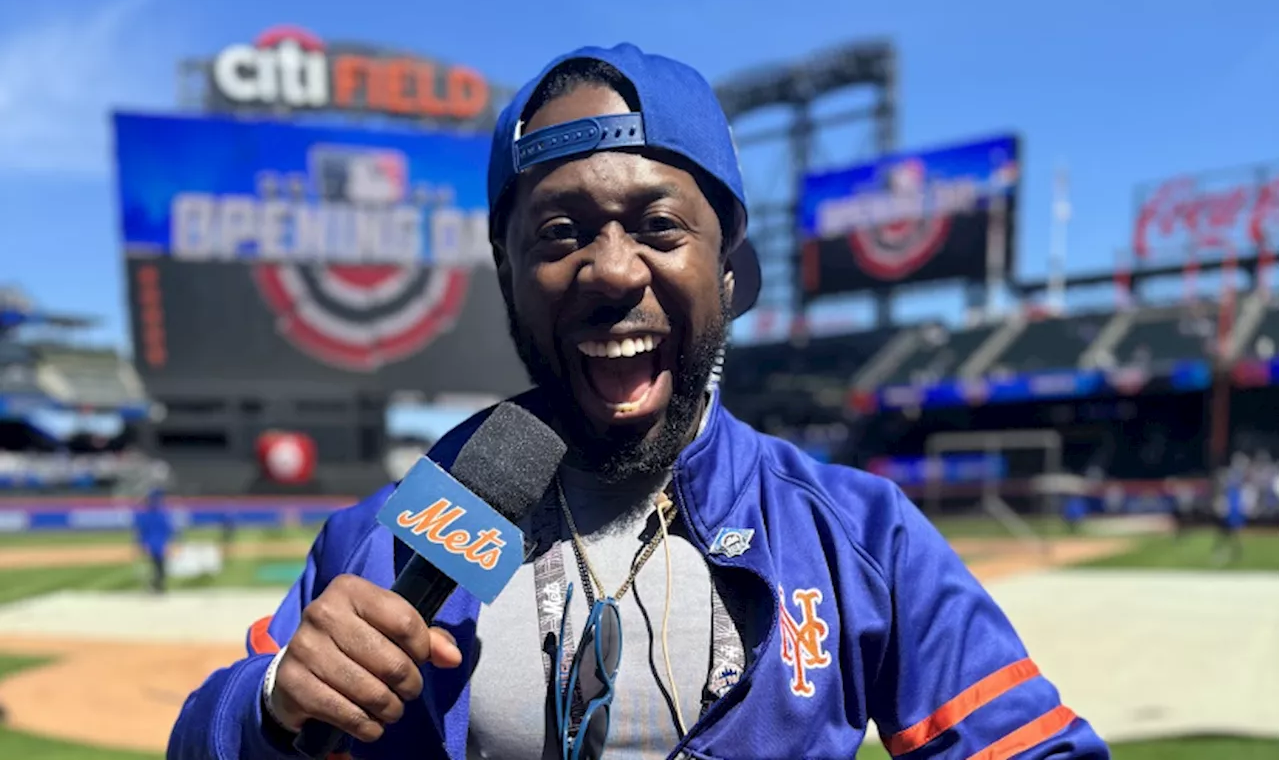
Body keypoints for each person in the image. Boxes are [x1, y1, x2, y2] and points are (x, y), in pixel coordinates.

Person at [168, 44, 1109, 760]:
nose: (612, 270)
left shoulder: (857, 535)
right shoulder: (392, 531)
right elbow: (209, 727)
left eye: (659, 225)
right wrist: (268, 705)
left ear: (732, 270)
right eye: (560, 231)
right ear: (510, 280)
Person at [134, 486, 174, 594]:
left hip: (153, 543)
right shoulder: (162, 514)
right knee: (159, 567)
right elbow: (168, 529)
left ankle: (156, 586)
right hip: (157, 544)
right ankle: (157, 586)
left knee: (157, 566)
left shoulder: (147, 514)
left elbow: (141, 531)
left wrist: (141, 543)